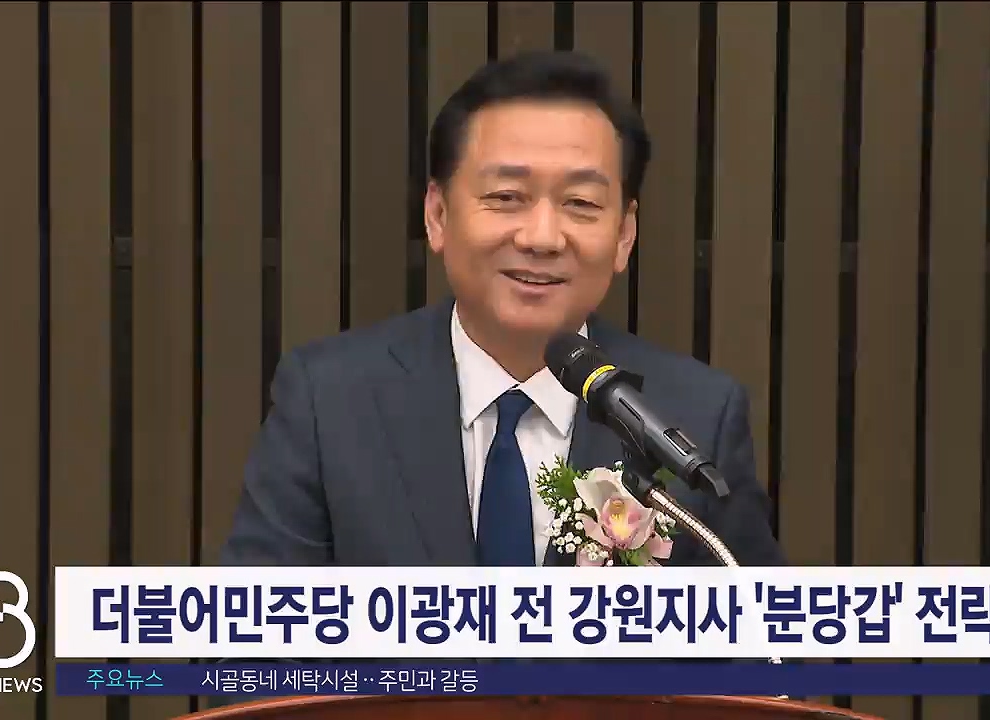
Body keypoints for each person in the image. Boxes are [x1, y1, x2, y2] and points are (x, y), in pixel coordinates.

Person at [220, 50, 784, 571]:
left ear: (624, 234)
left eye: (580, 203)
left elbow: (761, 638)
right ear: (438, 215)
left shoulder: (694, 418)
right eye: (506, 197)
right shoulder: (328, 402)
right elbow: (255, 635)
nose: (542, 237)